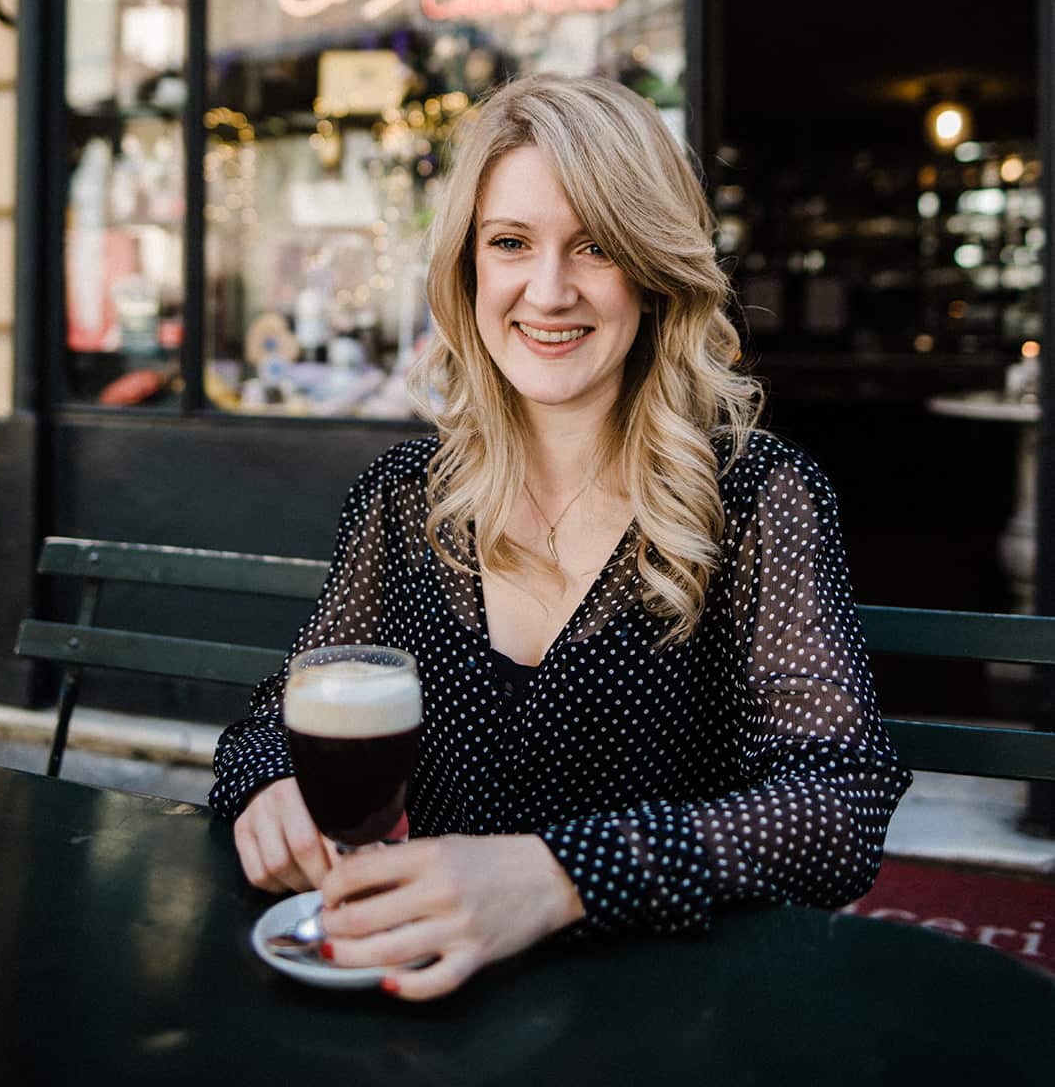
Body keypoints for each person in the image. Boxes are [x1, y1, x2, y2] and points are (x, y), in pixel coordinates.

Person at [210, 74, 910, 1000]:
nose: (549, 290)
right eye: (510, 243)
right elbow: (273, 718)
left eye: (595, 247)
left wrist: (561, 877)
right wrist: (268, 791)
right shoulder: (402, 497)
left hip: (667, 1011)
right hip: (436, 1003)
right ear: (467, 268)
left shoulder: (756, 496)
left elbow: (839, 802)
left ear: (654, 272)